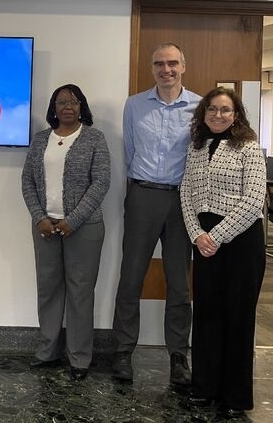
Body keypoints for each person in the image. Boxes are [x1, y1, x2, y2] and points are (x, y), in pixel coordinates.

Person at [111, 43, 201, 385]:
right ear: (152, 68)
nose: (166, 69)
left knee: (179, 281)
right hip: (143, 195)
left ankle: (178, 356)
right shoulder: (134, 105)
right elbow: (130, 150)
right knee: (131, 276)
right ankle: (123, 351)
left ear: (183, 66)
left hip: (182, 200)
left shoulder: (199, 107)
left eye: (173, 63)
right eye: (160, 64)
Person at [180, 87, 266, 419]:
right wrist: (196, 234)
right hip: (204, 242)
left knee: (237, 318)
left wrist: (215, 236)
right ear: (203, 113)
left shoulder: (249, 147)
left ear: (236, 115)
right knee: (207, 315)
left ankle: (235, 396)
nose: (218, 115)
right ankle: (204, 388)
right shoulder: (196, 147)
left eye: (225, 110)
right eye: (212, 109)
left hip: (241, 243)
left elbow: (254, 200)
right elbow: (185, 192)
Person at [21, 84, 110, 381]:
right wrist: (39, 217)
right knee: (48, 289)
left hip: (84, 228)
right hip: (45, 227)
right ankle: (47, 351)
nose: (67, 107)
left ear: (81, 106)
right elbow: (27, 181)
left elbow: (101, 182)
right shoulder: (40, 140)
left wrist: (74, 219)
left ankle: (79, 358)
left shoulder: (95, 138)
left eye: (73, 101)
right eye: (61, 102)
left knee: (80, 291)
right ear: (54, 108)